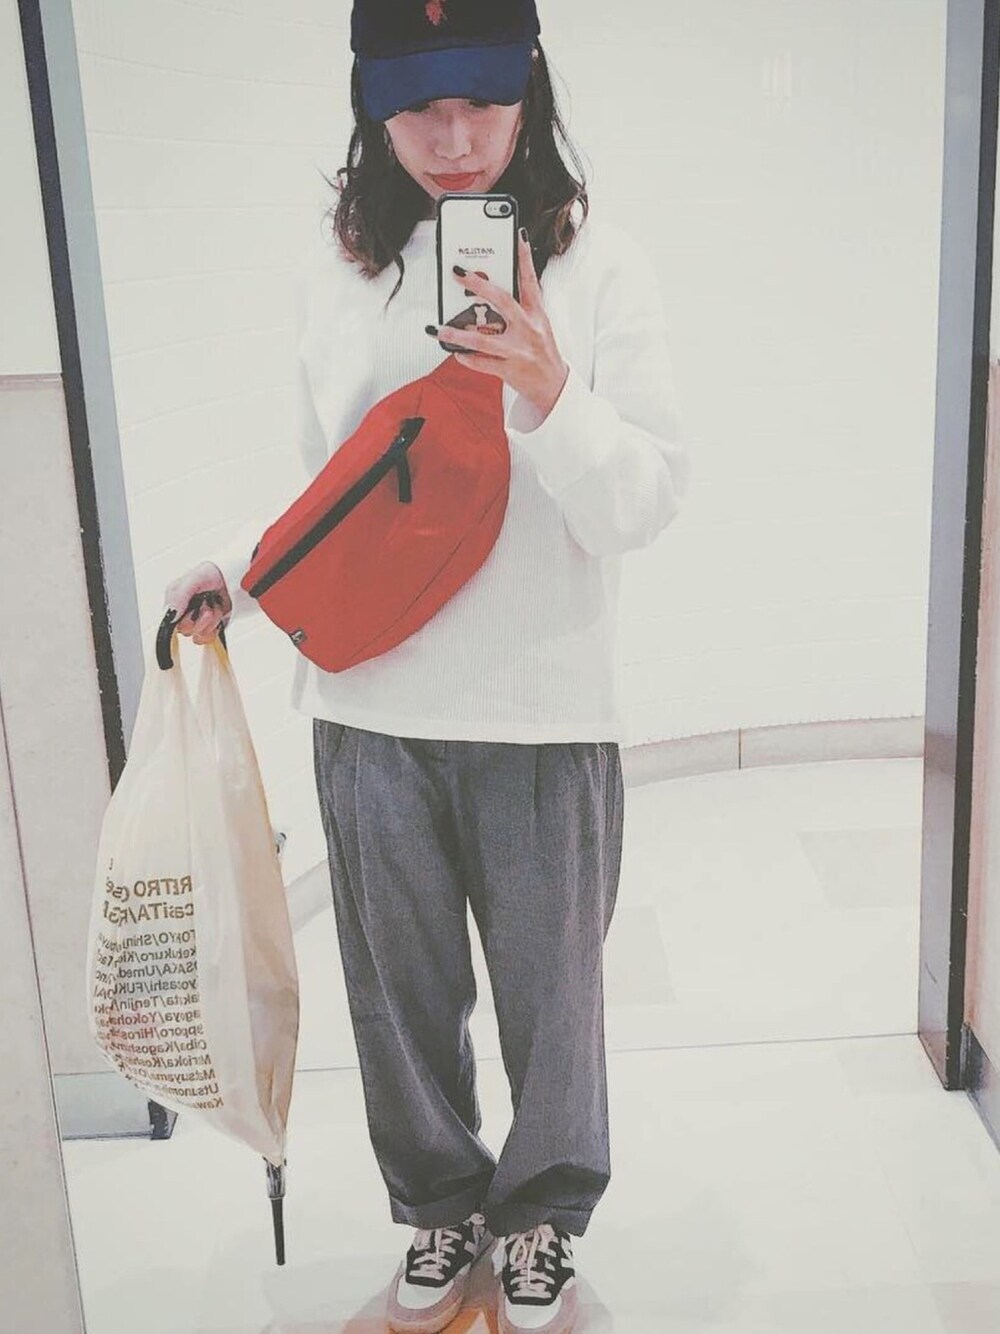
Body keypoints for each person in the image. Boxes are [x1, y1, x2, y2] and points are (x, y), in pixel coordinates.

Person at [164, 2, 689, 1331]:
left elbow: (643, 502)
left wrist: (550, 392)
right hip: (371, 705)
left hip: (545, 708)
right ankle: (442, 1213)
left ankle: (541, 1222)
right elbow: (337, 485)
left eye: (481, 101)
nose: (454, 139)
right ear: (372, 106)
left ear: (530, 90)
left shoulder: (601, 267)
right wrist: (236, 566)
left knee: (555, 1003)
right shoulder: (339, 271)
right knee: (397, 998)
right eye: (419, 106)